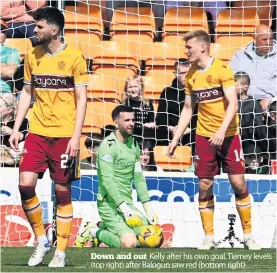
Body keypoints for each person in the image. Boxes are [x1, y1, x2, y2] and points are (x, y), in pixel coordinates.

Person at [9, 7, 88, 267]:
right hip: (38, 132)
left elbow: (82, 100)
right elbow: (27, 94)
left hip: (65, 135)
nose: (35, 31)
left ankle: (62, 250)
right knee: (25, 184)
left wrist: (76, 137)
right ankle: (42, 239)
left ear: (54, 30)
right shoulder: (32, 55)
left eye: (39, 27)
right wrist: (18, 127)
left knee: (62, 191)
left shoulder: (75, 57)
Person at [167, 30, 260, 250]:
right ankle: (208, 237)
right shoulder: (190, 75)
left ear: (202, 47)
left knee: (238, 184)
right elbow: (188, 109)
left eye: (189, 47)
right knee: (204, 185)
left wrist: (221, 130)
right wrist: (175, 139)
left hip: (228, 136)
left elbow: (233, 104)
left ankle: (248, 236)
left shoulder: (222, 69)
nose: (186, 51)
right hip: (203, 136)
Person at [75, 105, 161, 249]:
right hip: (109, 205)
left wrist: (148, 207)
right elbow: (108, 181)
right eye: (127, 120)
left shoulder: (134, 145)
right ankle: (93, 230)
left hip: (128, 203)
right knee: (130, 243)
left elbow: (139, 178)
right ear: (116, 122)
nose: (131, 123)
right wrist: (125, 210)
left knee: (154, 239)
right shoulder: (107, 146)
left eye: (133, 120)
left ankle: (101, 226)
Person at [230, 24, 276, 111]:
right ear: (254, 39)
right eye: (264, 39)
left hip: (268, 102)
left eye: (270, 39)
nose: (268, 43)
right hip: (242, 101)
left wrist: (269, 98)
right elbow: (230, 78)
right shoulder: (240, 56)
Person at [156, 58, 192, 145]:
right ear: (175, 74)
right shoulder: (167, 92)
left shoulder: (196, 91)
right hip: (169, 134)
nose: (186, 76)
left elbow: (198, 118)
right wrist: (172, 129)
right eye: (183, 73)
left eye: (189, 72)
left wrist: (184, 130)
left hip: (190, 133)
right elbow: (161, 119)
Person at [234, 71, 267, 153]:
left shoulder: (254, 103)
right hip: (234, 137)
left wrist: (262, 145)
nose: (232, 87)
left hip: (250, 142)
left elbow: (259, 125)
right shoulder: (231, 102)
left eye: (235, 85)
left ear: (245, 87)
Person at [122, 75, 156, 146]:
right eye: (130, 87)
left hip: (145, 138)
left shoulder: (147, 104)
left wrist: (150, 125)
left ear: (141, 87)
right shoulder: (124, 104)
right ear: (127, 89)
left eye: (135, 86)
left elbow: (151, 121)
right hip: (129, 136)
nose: (133, 89)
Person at [0, 93, 28, 166]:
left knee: (22, 145)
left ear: (10, 109)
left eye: (0, 106)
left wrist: (13, 132)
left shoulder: (23, 121)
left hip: (14, 154)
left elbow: (27, 137)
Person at [1, 20, 21, 94]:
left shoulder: (12, 51)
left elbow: (9, 72)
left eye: (2, 30)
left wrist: (6, 69)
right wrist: (3, 65)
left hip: (3, 92)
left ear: (5, 35)